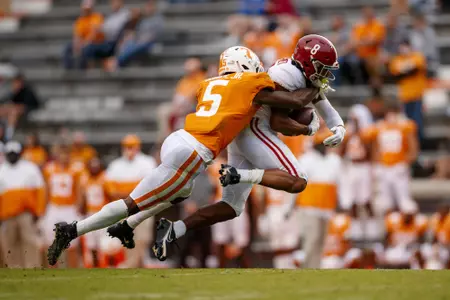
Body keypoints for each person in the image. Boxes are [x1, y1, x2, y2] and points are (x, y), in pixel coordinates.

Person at [46, 46, 320, 265]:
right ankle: (73, 230)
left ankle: (128, 226)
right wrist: (316, 88)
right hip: (194, 152)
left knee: (180, 192)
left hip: (178, 138)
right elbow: (293, 102)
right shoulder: (251, 83)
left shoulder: (206, 84)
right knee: (133, 203)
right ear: (246, 66)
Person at [151, 35, 346, 261]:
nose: (324, 74)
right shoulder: (287, 75)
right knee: (297, 180)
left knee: (231, 207)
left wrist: (338, 125)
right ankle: (239, 175)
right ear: (308, 62)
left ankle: (174, 229)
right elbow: (279, 121)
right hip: (255, 129)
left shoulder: (297, 72)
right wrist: (309, 130)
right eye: (321, 68)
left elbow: (319, 99)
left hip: (245, 133)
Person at [104, 134, 156, 268]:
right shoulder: (116, 165)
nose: (129, 149)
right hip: (124, 208)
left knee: (143, 238)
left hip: (143, 207)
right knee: (128, 238)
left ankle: (134, 263)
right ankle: (133, 264)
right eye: (127, 147)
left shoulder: (147, 162)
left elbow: (147, 187)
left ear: (138, 147)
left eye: (132, 146)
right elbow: (111, 190)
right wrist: (130, 193)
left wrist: (124, 193)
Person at [362, 101, 419, 214]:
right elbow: (371, 144)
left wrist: (405, 163)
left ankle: (405, 227)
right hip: (384, 167)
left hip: (399, 167)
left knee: (404, 201)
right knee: (384, 202)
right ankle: (389, 227)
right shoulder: (378, 127)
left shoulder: (405, 126)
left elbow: (413, 148)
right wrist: (376, 165)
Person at [296, 136, 342, 268]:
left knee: (321, 241)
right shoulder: (306, 160)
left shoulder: (334, 161)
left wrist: (341, 204)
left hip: (327, 208)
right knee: (311, 240)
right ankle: (307, 267)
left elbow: (338, 185)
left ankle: (316, 267)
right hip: (309, 207)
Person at [0, 141, 45, 268]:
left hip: (26, 213)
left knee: (30, 241)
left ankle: (33, 266)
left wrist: (39, 211)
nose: (12, 156)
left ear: (20, 154)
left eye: (14, 153)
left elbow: (41, 190)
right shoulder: (2, 170)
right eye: (10, 154)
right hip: (7, 215)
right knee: (9, 243)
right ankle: (14, 267)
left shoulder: (30, 168)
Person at [42, 144, 84, 267]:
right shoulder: (49, 169)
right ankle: (53, 268)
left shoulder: (76, 169)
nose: (63, 157)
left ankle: (73, 269)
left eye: (66, 154)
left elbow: (79, 189)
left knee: (72, 242)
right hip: (54, 207)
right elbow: (46, 189)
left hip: (69, 207)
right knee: (50, 241)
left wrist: (78, 206)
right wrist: (44, 209)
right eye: (61, 153)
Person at [340, 104, 376, 240]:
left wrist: (359, 132)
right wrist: (348, 136)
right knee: (353, 200)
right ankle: (355, 229)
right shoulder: (348, 133)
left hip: (364, 167)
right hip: (352, 167)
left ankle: (371, 229)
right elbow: (342, 151)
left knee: (366, 199)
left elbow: (369, 151)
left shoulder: (367, 133)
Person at [388, 39, 427, 142]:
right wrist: (407, 67)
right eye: (402, 47)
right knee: (407, 123)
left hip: (417, 95)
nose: (403, 49)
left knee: (417, 122)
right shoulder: (397, 59)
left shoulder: (417, 56)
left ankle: (419, 145)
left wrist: (404, 69)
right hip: (404, 97)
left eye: (405, 46)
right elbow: (396, 73)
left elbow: (415, 69)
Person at [157, 57, 206, 139]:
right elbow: (177, 94)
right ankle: (167, 137)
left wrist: (182, 104)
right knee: (163, 110)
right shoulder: (184, 80)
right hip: (179, 105)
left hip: (192, 106)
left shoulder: (202, 78)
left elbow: (193, 96)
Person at [107, 0, 163, 71]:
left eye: (150, 6)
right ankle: (117, 61)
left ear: (154, 7)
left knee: (137, 45)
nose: (148, 8)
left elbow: (155, 35)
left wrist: (142, 39)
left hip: (151, 43)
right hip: (140, 41)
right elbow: (137, 32)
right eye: (147, 6)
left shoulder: (158, 19)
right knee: (128, 42)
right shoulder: (143, 20)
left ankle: (117, 62)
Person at [79, 157, 110, 268]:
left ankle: (105, 265)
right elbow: (83, 199)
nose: (94, 168)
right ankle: (95, 265)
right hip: (90, 214)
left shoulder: (105, 178)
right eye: (92, 166)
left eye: (96, 166)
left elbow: (110, 196)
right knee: (91, 243)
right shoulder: (85, 179)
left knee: (103, 243)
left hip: (102, 213)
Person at [81, 0, 130, 68]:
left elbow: (115, 29)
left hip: (115, 43)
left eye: (115, 2)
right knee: (88, 48)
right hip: (107, 42)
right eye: (112, 2)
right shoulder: (112, 15)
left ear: (120, 2)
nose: (113, 4)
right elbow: (103, 27)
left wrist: (100, 29)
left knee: (90, 48)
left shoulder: (125, 14)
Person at [63, 0, 104, 69]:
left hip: (96, 42)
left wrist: (84, 43)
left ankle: (82, 69)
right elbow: (77, 35)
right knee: (68, 48)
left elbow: (94, 34)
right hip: (84, 42)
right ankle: (68, 69)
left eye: (88, 9)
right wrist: (76, 44)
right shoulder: (81, 20)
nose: (86, 10)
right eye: (85, 9)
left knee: (86, 49)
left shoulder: (97, 17)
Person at [0, 74, 40, 140]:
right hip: (14, 109)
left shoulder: (27, 91)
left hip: (30, 109)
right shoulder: (14, 92)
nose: (16, 84)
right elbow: (8, 102)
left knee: (13, 112)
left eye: (17, 82)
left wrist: (13, 106)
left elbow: (25, 105)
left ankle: (8, 136)